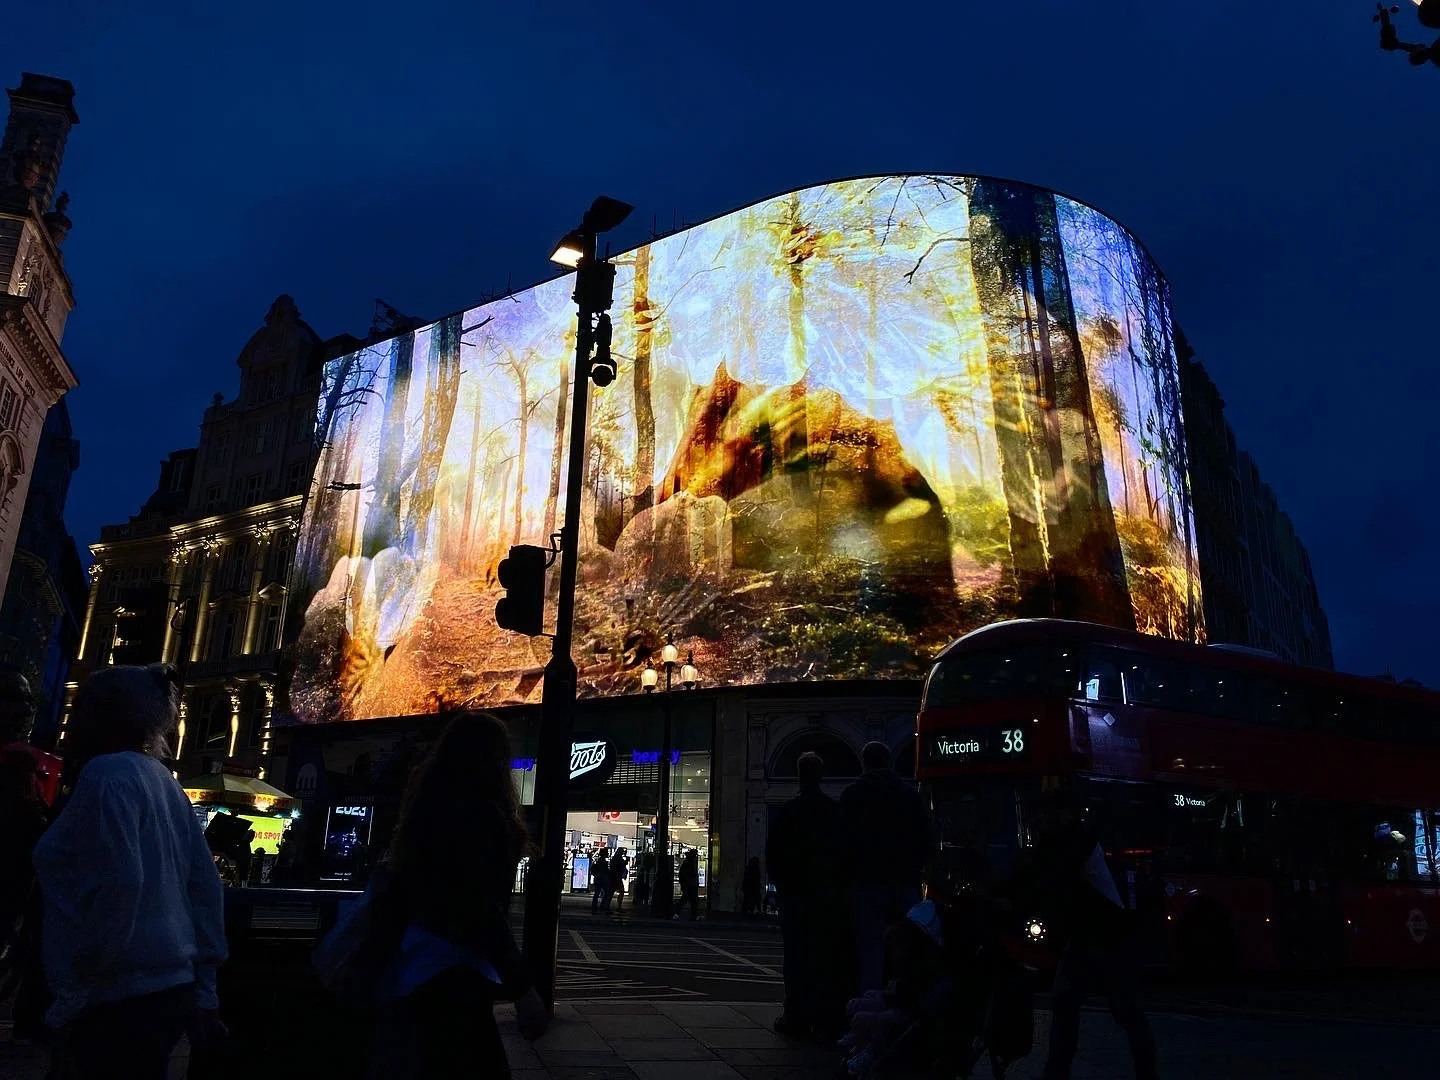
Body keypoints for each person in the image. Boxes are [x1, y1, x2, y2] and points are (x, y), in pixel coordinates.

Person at [31, 663, 228, 1080]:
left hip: (114, 998)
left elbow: (119, 887)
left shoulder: (106, 777)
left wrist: (73, 997)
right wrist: (205, 988)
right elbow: (204, 886)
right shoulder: (164, 782)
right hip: (164, 992)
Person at [366, 711, 548, 1077]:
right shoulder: (482, 815)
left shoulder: (429, 809)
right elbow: (481, 908)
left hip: (418, 960)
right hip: (458, 967)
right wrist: (523, 989)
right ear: (494, 759)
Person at [1019, 792, 1158, 1080]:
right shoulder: (1058, 843)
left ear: (1066, 815)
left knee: (1114, 1010)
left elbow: (1041, 876)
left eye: (1051, 814)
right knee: (1073, 1006)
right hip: (1087, 939)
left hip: (1107, 940)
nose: (1046, 819)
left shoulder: (1078, 841)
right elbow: (1030, 876)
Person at [839, 741, 934, 994]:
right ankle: (905, 1004)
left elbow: (842, 842)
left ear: (864, 763)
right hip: (904, 880)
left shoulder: (852, 796)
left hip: (866, 882)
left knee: (870, 951)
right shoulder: (909, 796)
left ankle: (869, 1007)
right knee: (906, 949)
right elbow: (925, 839)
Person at [767, 750, 849, 1038]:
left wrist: (782, 886)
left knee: (796, 957)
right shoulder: (832, 810)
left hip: (796, 894)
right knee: (824, 956)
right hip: (825, 896)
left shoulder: (790, 811)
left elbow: (773, 854)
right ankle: (823, 1015)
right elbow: (843, 854)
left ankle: (795, 1015)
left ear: (800, 776)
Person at [676, 849, 701, 921]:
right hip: (690, 885)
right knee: (691, 901)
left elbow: (682, 875)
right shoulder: (690, 863)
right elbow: (692, 874)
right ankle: (693, 915)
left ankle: (677, 912)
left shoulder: (687, 862)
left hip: (689, 884)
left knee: (686, 900)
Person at [610, 848, 630, 913]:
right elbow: (622, 865)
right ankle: (618, 906)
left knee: (611, 892)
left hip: (614, 877)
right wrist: (626, 860)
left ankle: (606, 905)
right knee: (621, 891)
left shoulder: (615, 858)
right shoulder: (618, 858)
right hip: (617, 877)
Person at [591, 847, 610, 915]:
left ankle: (595, 907)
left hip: (598, 878)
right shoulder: (603, 861)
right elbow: (606, 871)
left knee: (597, 893)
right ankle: (602, 906)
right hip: (602, 878)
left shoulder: (599, 860)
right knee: (606, 893)